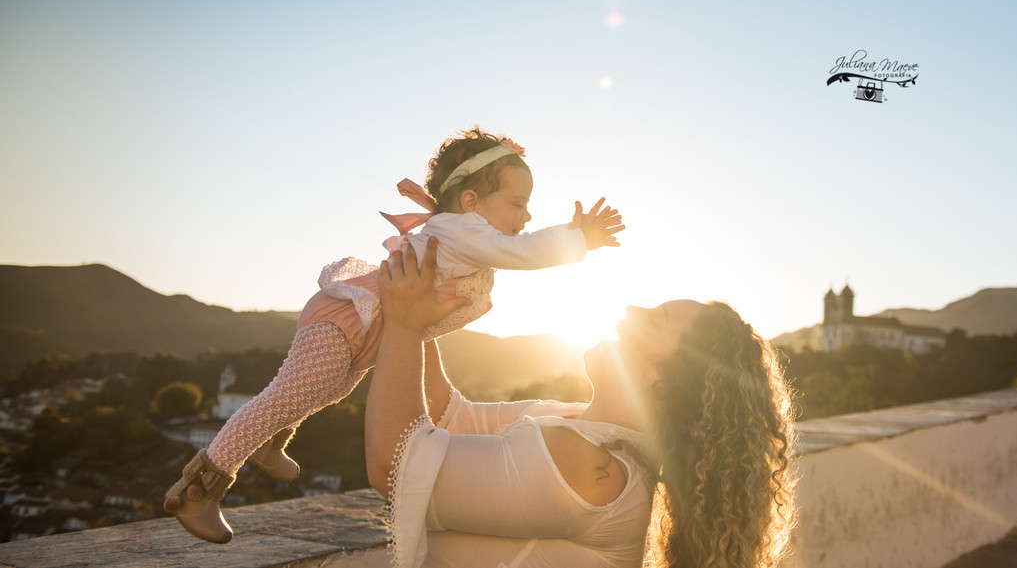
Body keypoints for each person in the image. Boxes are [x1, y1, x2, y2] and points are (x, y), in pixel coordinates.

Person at [164, 127, 624, 544]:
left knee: (328, 390)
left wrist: (570, 231)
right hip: (348, 317)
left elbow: (519, 244)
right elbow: (522, 252)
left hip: (372, 332)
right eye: (518, 204)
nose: (527, 215)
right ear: (469, 201)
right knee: (284, 395)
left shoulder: (470, 235)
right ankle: (197, 490)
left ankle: (268, 441)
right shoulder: (463, 230)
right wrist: (579, 239)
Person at [368, 240, 797, 568]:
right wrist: (429, 301)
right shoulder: (577, 423)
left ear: (664, 382)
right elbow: (450, 415)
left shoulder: (593, 469)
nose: (632, 306)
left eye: (654, 319)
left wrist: (405, 321)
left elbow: (396, 464)